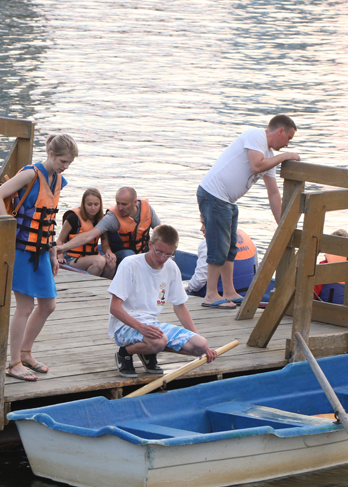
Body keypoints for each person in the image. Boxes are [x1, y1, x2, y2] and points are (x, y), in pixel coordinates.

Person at [0, 134, 79, 381]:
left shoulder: (58, 179)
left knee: (48, 305)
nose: (65, 166)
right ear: (50, 154)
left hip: (41, 250)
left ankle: (26, 353)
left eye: (69, 162)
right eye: (63, 160)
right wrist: (6, 227)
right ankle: (14, 362)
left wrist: (53, 253)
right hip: (20, 250)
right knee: (25, 306)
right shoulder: (31, 174)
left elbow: (48, 220)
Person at [197, 114, 299, 309]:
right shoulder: (256, 136)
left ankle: (229, 292)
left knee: (230, 248)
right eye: (289, 138)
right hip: (213, 195)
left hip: (227, 200)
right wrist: (285, 157)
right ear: (280, 131)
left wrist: (282, 224)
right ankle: (211, 294)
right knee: (218, 247)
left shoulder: (269, 155)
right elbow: (256, 165)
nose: (288, 144)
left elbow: (274, 193)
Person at [108, 224, 217, 378]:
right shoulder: (130, 264)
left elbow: (179, 306)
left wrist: (200, 342)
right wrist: (141, 328)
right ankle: (125, 353)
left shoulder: (171, 267)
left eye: (169, 254)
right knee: (159, 341)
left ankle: (148, 351)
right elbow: (115, 308)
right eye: (159, 252)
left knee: (200, 345)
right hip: (125, 325)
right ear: (150, 244)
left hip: (152, 325)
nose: (162, 259)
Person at [56, 186, 160, 268]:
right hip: (123, 253)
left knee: (170, 255)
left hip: (142, 250)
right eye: (117, 203)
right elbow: (88, 235)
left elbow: (160, 231)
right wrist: (62, 249)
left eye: (124, 204)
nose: (120, 208)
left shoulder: (146, 208)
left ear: (134, 202)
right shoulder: (111, 218)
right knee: (129, 255)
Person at [55, 188, 116, 279]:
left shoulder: (102, 220)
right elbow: (60, 240)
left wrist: (108, 252)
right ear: (83, 204)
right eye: (89, 204)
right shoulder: (73, 218)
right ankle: (88, 284)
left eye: (96, 204)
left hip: (92, 255)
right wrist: (60, 255)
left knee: (111, 262)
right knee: (99, 261)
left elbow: (105, 244)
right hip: (72, 258)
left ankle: (104, 287)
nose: (93, 208)